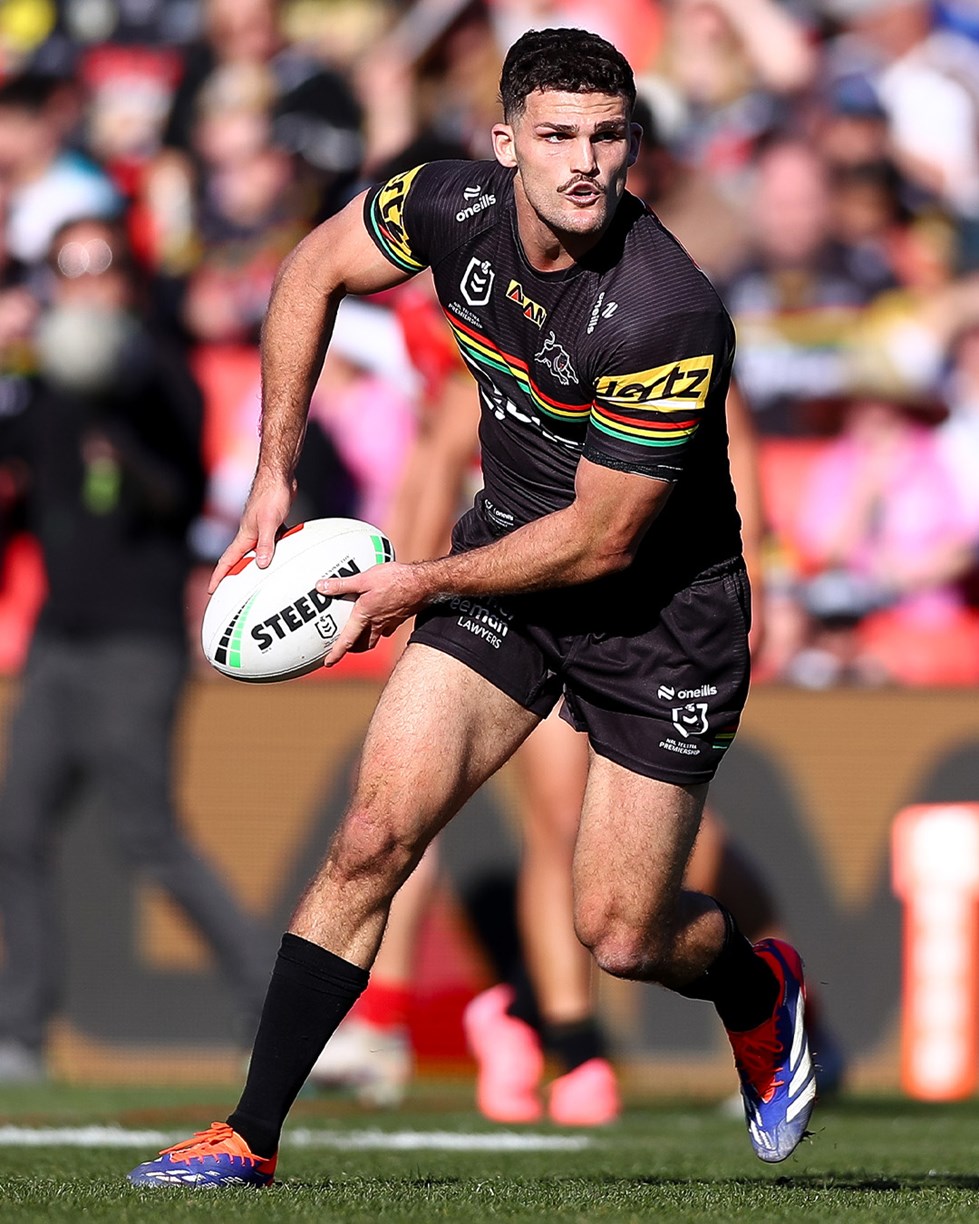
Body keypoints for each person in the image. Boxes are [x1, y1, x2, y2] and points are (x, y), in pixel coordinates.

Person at [128, 28, 815, 1188]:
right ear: (505, 143)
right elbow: (310, 270)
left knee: (621, 932)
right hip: (507, 569)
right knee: (372, 836)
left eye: (607, 136)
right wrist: (272, 474)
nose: (584, 163)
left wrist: (417, 582)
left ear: (632, 145)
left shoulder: (664, 310)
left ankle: (756, 988)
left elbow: (601, 539)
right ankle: (247, 1136)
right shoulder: (447, 206)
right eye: (557, 136)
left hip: (656, 619)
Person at [0, 216, 272, 1083]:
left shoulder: (157, 373)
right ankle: (20, 1031)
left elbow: (177, 490)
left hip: (135, 642)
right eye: (68, 269)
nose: (86, 285)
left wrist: (112, 408)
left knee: (149, 837)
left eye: (103, 267)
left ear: (130, 280)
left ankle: (270, 1008)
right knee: (15, 832)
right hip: (59, 642)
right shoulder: (41, 386)